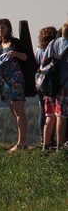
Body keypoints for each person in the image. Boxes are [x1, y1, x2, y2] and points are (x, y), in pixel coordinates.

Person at [0, 18, 28, 152]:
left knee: (19, 111)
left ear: (8, 28)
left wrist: (15, 54)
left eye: (2, 27)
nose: (0, 30)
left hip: (15, 78)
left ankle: (22, 142)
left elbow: (26, 57)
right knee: (13, 111)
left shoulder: (15, 42)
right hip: (4, 80)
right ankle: (19, 140)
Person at [43, 22, 68, 151]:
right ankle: (59, 146)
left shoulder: (52, 43)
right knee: (61, 116)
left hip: (50, 84)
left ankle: (45, 145)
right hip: (65, 84)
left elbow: (43, 61)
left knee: (50, 116)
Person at [35, 26, 58, 148]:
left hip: (40, 82)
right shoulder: (53, 49)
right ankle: (52, 139)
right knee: (53, 113)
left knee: (42, 111)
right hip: (50, 83)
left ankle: (43, 138)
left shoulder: (39, 50)